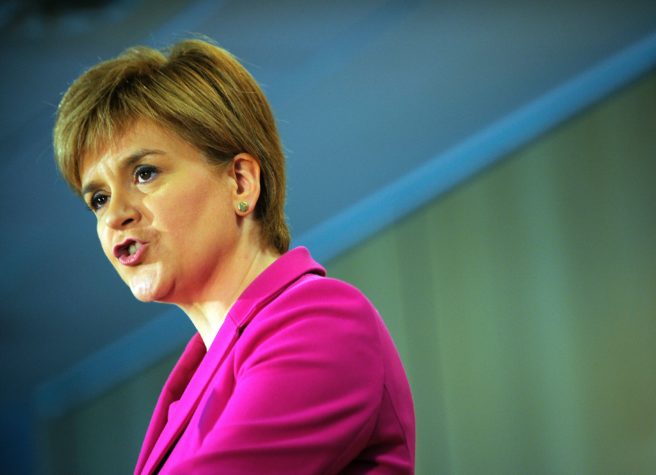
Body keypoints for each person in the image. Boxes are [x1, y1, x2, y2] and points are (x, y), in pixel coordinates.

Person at [53, 39, 415, 474]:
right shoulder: (189, 389)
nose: (115, 215)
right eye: (98, 198)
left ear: (240, 183)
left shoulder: (322, 320)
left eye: (144, 173)